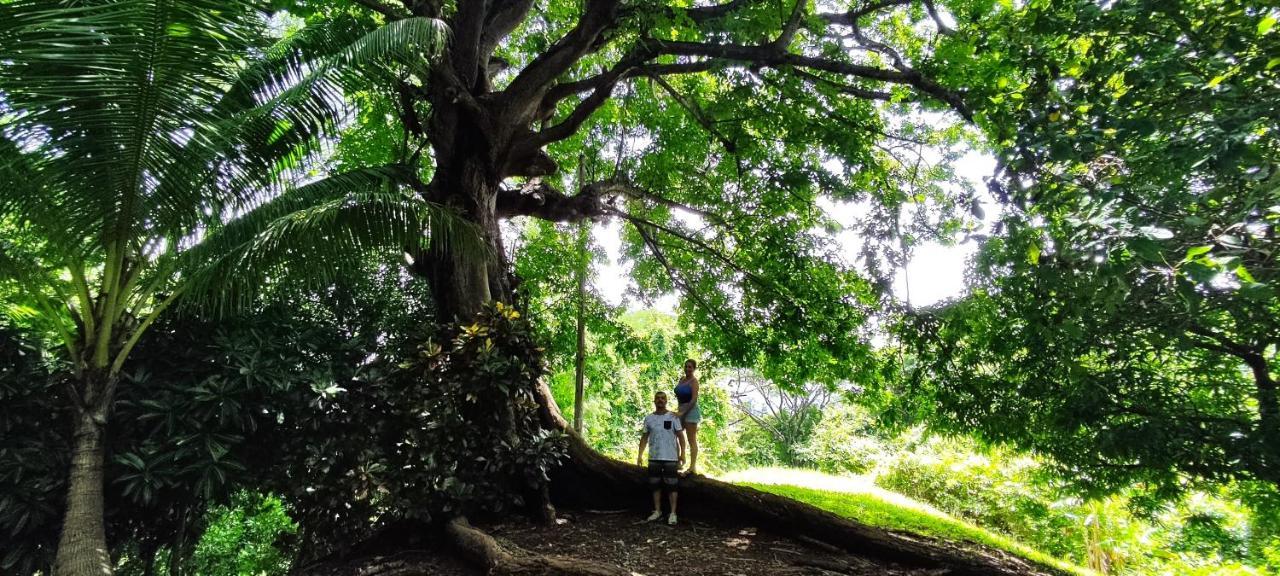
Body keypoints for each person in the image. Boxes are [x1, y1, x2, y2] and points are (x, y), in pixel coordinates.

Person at [637, 391, 686, 525]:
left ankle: (673, 513)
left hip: (671, 457)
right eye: (658, 398)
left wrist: (683, 454)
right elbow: (644, 438)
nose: (660, 400)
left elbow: (681, 437)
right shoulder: (649, 418)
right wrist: (640, 455)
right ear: (654, 400)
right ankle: (657, 511)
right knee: (655, 485)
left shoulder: (673, 417)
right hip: (654, 457)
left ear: (666, 401)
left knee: (672, 486)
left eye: (663, 398)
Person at [673, 359, 701, 476]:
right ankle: (678, 461)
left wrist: (683, 412)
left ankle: (692, 467)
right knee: (674, 433)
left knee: (691, 439)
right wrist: (680, 411)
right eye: (686, 366)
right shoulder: (681, 379)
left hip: (691, 411)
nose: (687, 369)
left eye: (690, 367)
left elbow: (693, 399)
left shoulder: (694, 382)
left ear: (694, 369)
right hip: (681, 410)